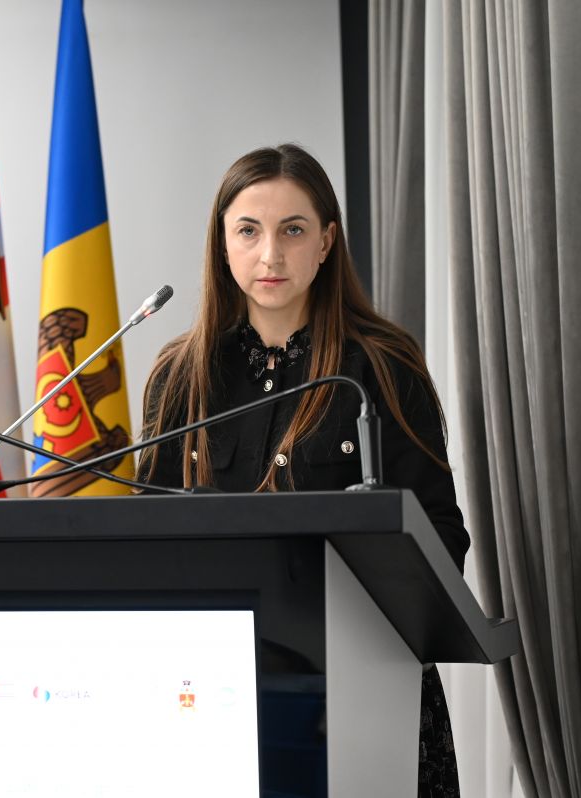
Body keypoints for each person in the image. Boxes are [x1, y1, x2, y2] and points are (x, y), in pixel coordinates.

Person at [139, 143, 468, 796]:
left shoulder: (382, 365)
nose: (270, 255)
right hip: (210, 693)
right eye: (249, 231)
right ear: (222, 244)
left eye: (293, 230)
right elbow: (147, 539)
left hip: (362, 689)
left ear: (326, 243)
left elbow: (442, 537)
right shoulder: (179, 375)